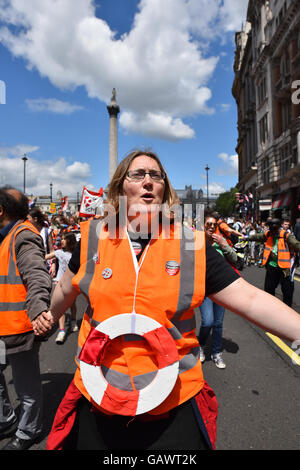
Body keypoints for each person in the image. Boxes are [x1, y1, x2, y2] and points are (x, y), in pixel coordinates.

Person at [33, 150, 300, 451]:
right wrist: (48, 317)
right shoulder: (93, 238)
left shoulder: (192, 245)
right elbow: (65, 290)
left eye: (156, 176)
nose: (148, 181)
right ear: (121, 186)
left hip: (172, 401)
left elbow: (250, 298)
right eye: (137, 174)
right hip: (99, 398)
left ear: (164, 190)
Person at [0, 187, 52, 450]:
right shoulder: (3, 236)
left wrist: (38, 310)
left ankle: (28, 431)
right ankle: (6, 420)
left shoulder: (23, 236)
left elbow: (37, 274)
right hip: (2, 328)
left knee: (26, 386)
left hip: (19, 328)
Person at [198, 211, 238, 369]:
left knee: (218, 323)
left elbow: (235, 259)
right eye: (209, 224)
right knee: (207, 321)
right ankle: (200, 345)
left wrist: (224, 244)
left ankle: (216, 353)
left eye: (214, 225)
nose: (212, 227)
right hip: (205, 290)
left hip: (222, 291)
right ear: (203, 226)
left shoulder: (222, 241)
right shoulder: (198, 242)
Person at [244, 218, 300, 307]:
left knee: (287, 291)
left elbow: (297, 245)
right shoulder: (269, 234)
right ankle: (271, 307)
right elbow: (259, 236)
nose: (273, 231)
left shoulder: (286, 235)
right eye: (271, 228)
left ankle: (287, 309)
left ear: (278, 227)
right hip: (271, 266)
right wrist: (247, 237)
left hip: (284, 268)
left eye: (274, 229)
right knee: (269, 289)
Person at [46, 232, 78, 344]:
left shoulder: (75, 254)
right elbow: (46, 257)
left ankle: (73, 320)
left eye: (64, 239)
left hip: (72, 283)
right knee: (61, 307)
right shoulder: (59, 252)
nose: (61, 241)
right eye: (62, 239)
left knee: (72, 304)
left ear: (70, 241)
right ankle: (62, 331)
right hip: (60, 282)